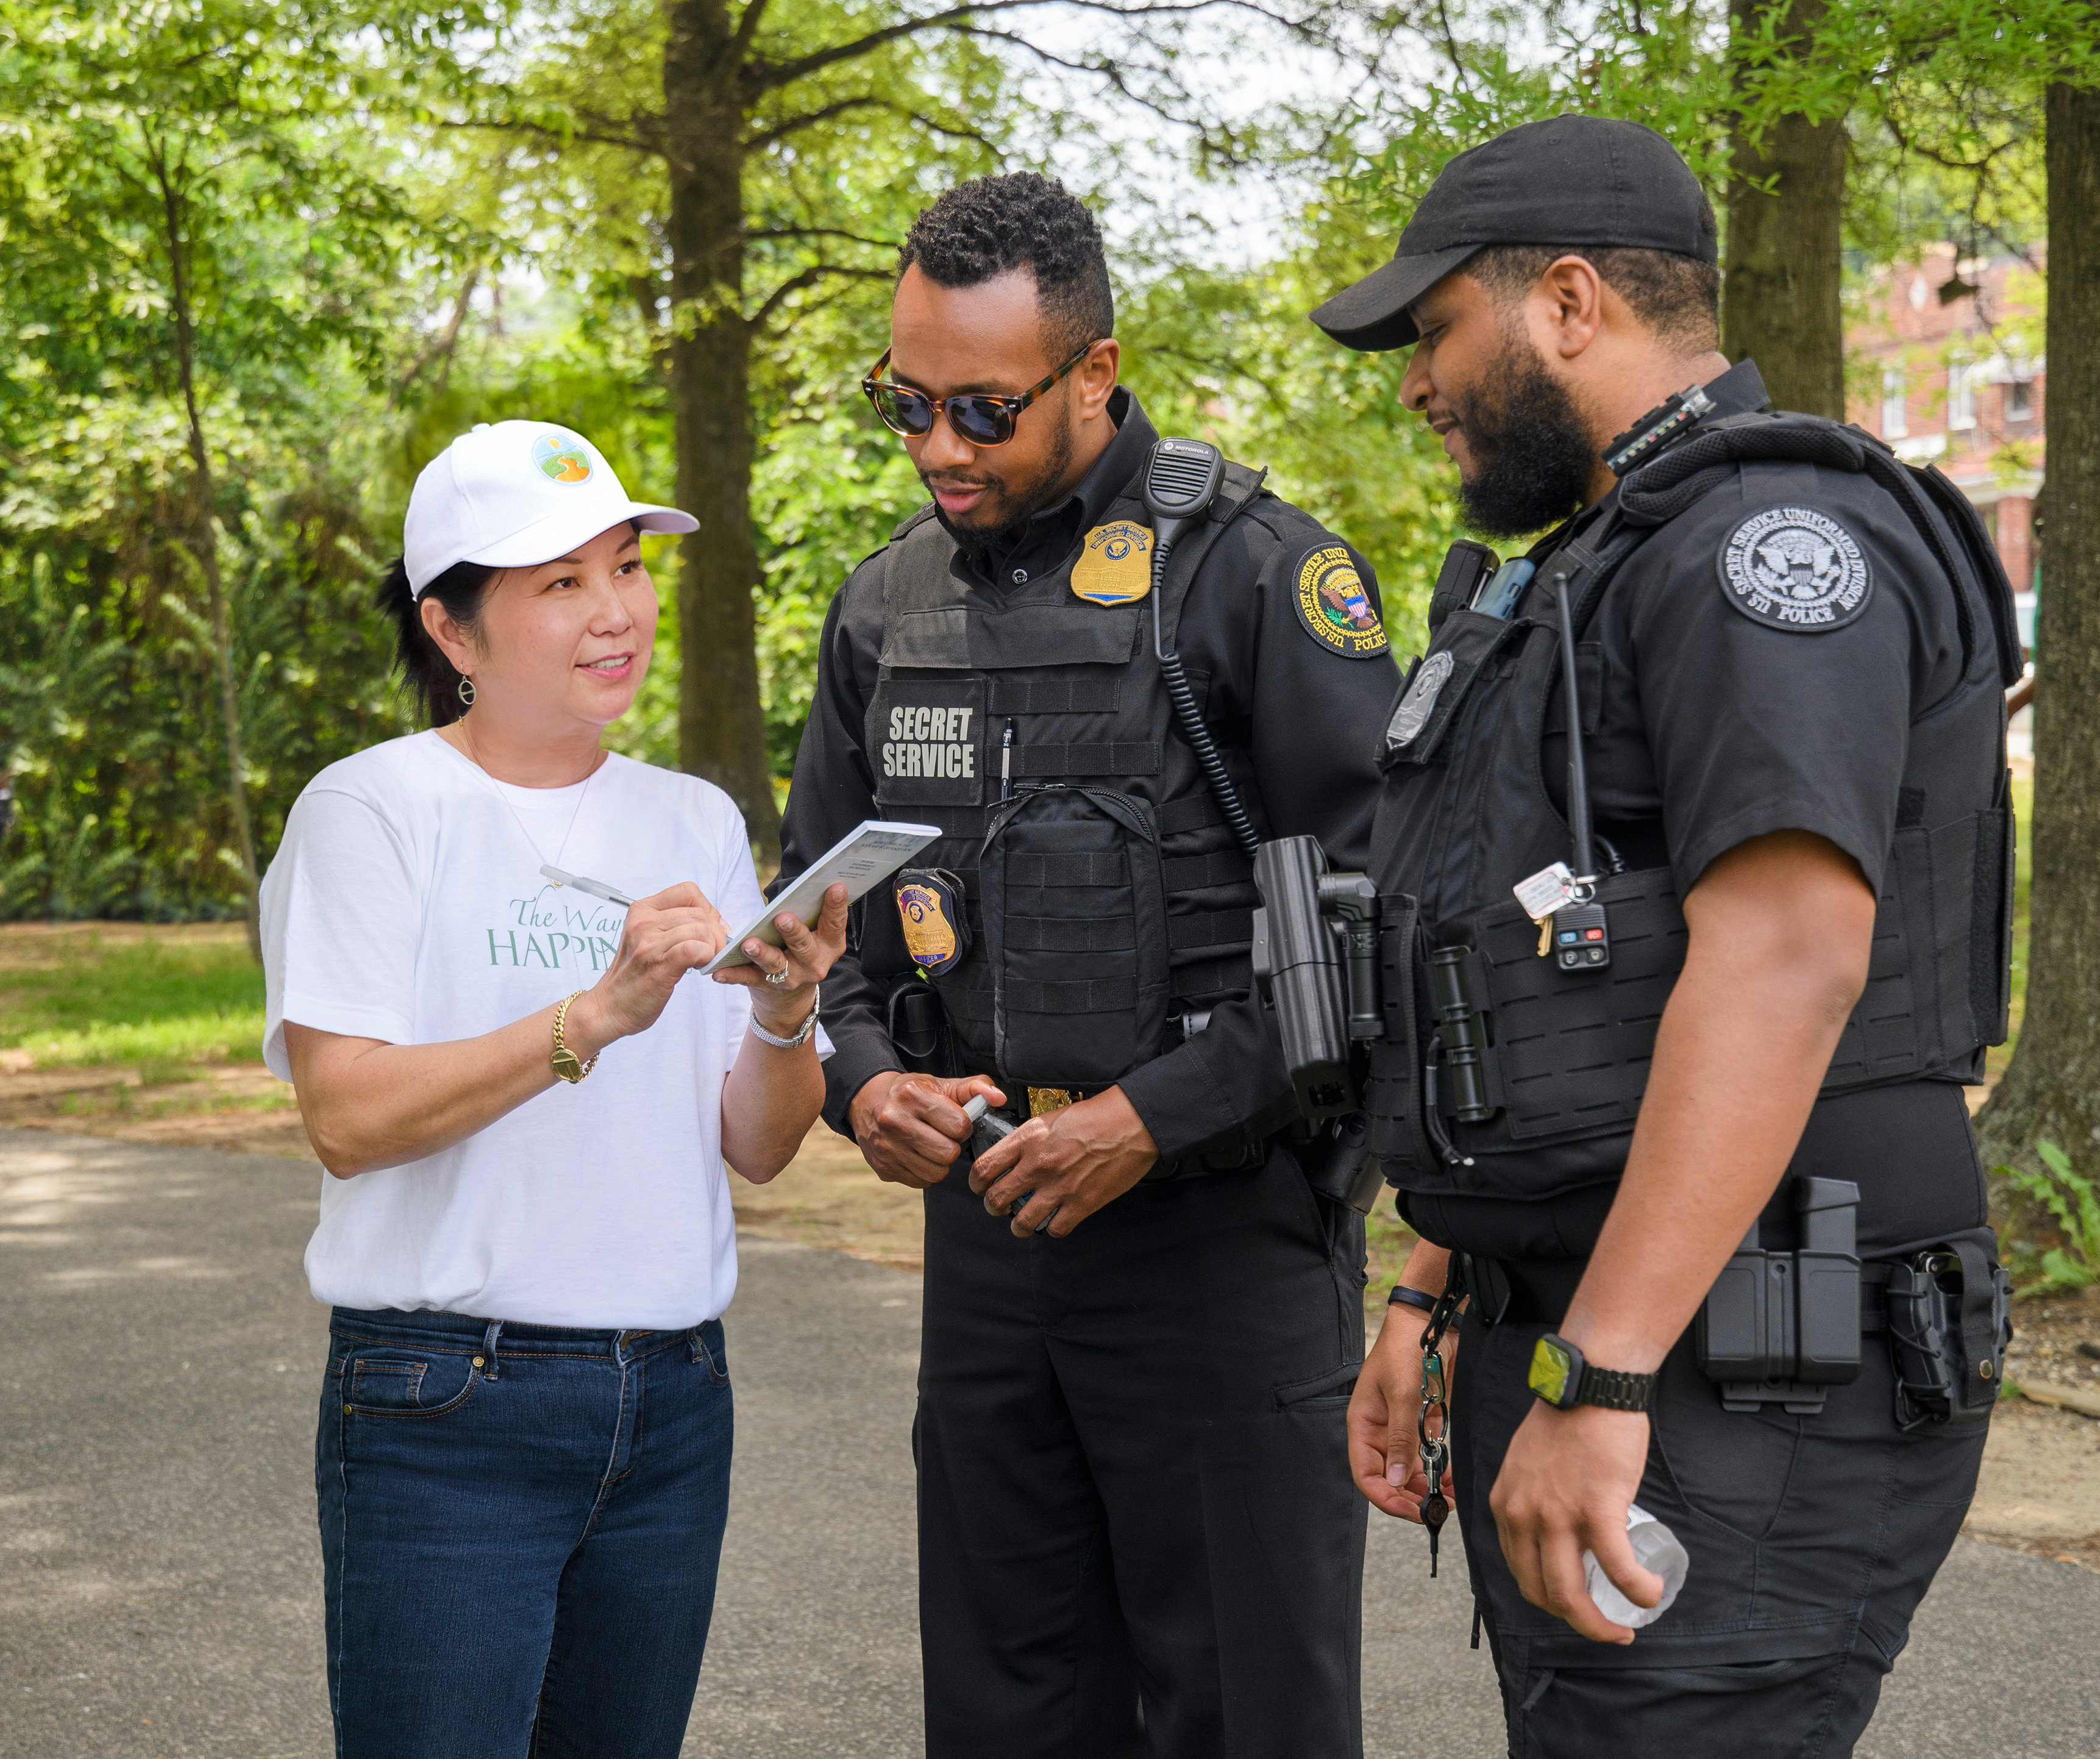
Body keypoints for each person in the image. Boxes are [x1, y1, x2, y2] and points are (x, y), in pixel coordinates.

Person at [1310, 116, 2021, 1754]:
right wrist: (1433, 1291)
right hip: (1613, 1327)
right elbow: (1556, 990)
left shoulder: (1762, 544)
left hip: (1744, 1362)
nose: (1416, 384)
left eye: (1436, 330)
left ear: (1570, 302)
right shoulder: (1608, 562)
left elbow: (1788, 959)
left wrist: (1603, 1373)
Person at [775, 173, 1400, 1757]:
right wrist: (868, 1086)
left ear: (1095, 374)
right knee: (1008, 1712)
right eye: (905, 403)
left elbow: (1375, 932)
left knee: (1244, 1716)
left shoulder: (1254, 578)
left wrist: (1148, 1119)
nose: (938, 447)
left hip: (1221, 1249)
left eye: (983, 409)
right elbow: (817, 929)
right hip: (993, 1253)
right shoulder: (885, 609)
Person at [258, 419, 848, 1759]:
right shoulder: (370, 810)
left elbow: (758, 1146)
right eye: (562, 583)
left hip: (673, 1401)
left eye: (627, 567)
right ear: (451, 629)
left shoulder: (694, 817)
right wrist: (594, 1016)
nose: (616, 612)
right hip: (444, 1407)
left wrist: (785, 1012)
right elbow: (347, 1118)